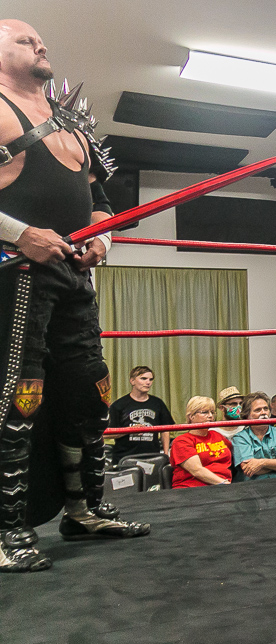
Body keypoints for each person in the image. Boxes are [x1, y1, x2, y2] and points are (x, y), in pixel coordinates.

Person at [0, 20, 149, 571]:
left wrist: (102, 239)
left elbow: (101, 201)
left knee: (89, 393)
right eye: (23, 40)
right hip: (15, 273)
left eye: (41, 40)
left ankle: (84, 510)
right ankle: (6, 531)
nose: (40, 45)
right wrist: (21, 234)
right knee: (17, 399)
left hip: (73, 277)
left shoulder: (70, 123)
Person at [108, 365, 174, 464]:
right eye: (143, 378)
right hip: (125, 458)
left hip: (152, 457)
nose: (148, 382)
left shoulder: (157, 403)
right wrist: (130, 430)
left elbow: (165, 429)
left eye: (150, 379)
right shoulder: (119, 405)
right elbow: (107, 433)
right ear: (132, 381)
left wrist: (165, 454)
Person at [230, 391, 276, 482]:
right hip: (251, 487)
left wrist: (262, 463)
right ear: (247, 416)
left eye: (266, 409)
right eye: (258, 410)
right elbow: (248, 469)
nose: (263, 413)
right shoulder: (240, 437)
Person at [170, 397, 232, 488]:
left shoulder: (217, 435)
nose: (210, 416)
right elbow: (197, 471)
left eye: (212, 412)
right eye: (205, 412)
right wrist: (225, 484)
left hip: (221, 487)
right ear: (191, 416)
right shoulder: (181, 441)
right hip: (192, 488)